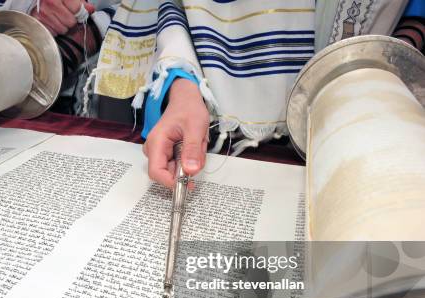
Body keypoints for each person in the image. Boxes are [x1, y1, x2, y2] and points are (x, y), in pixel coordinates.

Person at [87, 0, 415, 188]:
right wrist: (181, 86)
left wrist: (391, 57)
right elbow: (169, 7)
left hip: (374, 96)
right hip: (216, 123)